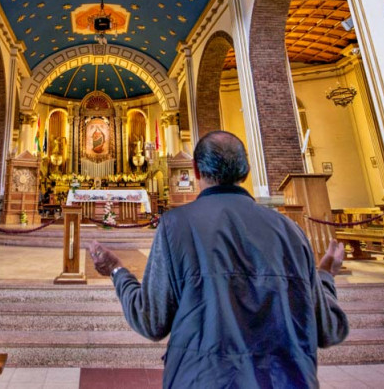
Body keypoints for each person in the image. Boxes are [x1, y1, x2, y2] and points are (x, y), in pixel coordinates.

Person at [89, 131, 348, 388]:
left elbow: (150, 321)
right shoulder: (290, 230)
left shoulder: (176, 226)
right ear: (245, 171)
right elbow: (329, 329)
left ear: (196, 171)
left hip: (203, 380)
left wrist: (116, 270)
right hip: (286, 380)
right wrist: (325, 276)